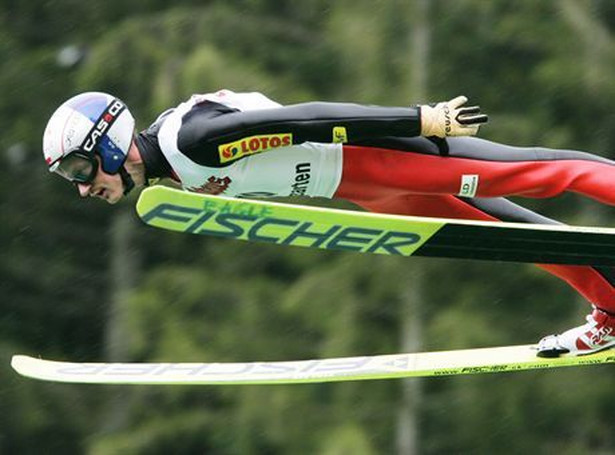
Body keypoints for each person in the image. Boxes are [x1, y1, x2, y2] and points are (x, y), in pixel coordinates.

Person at [42, 90, 615, 357]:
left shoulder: (189, 140)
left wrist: (420, 119)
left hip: (379, 158)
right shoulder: (174, 170)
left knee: (541, 172)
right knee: (515, 242)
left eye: (79, 167)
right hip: (364, 192)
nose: (83, 186)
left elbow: (305, 119)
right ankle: (611, 309)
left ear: (111, 144)